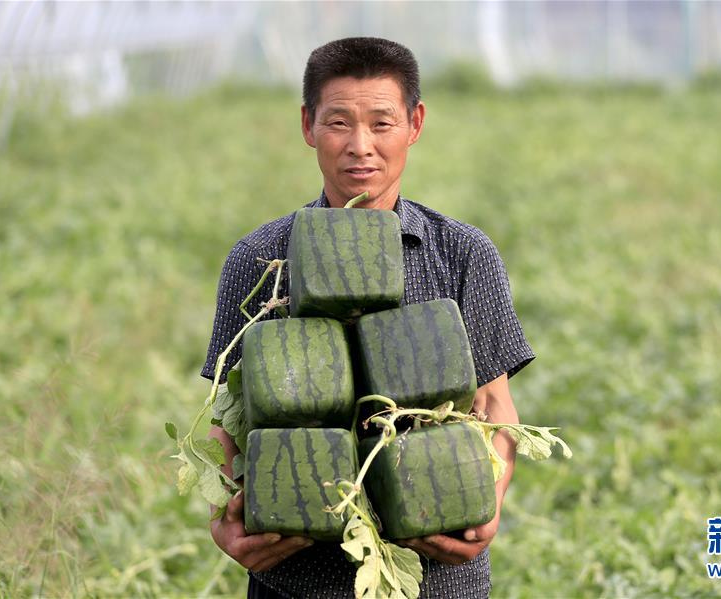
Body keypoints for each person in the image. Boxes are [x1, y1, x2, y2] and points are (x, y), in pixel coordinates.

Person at [201, 37, 534, 599]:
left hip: (437, 578)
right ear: (307, 125)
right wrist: (222, 517)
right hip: (296, 578)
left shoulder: (464, 254)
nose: (361, 147)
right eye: (338, 123)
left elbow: (495, 407)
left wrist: (488, 507)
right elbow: (227, 416)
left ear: (415, 123)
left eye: (382, 123)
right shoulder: (258, 261)